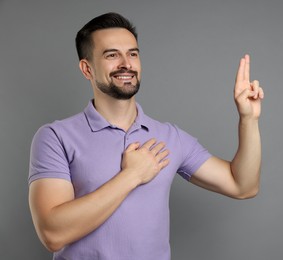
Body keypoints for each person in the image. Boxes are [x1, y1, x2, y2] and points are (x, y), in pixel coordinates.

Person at [28, 12, 264, 260]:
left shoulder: (170, 137)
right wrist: (132, 175)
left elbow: (243, 186)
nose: (126, 64)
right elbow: (52, 233)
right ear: (87, 69)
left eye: (133, 53)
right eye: (112, 55)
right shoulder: (55, 137)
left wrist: (249, 119)